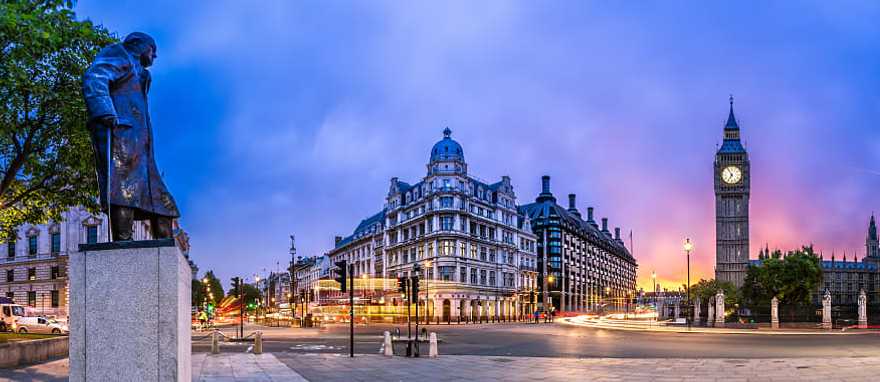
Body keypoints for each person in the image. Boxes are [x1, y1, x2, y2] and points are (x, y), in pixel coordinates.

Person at [82, 32, 180, 241]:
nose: (155, 56)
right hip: (120, 135)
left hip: (141, 147)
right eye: (153, 50)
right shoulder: (119, 54)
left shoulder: (142, 74)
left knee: (163, 204)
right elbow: (94, 77)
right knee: (122, 188)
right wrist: (105, 111)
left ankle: (165, 253)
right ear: (140, 45)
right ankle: (123, 243)